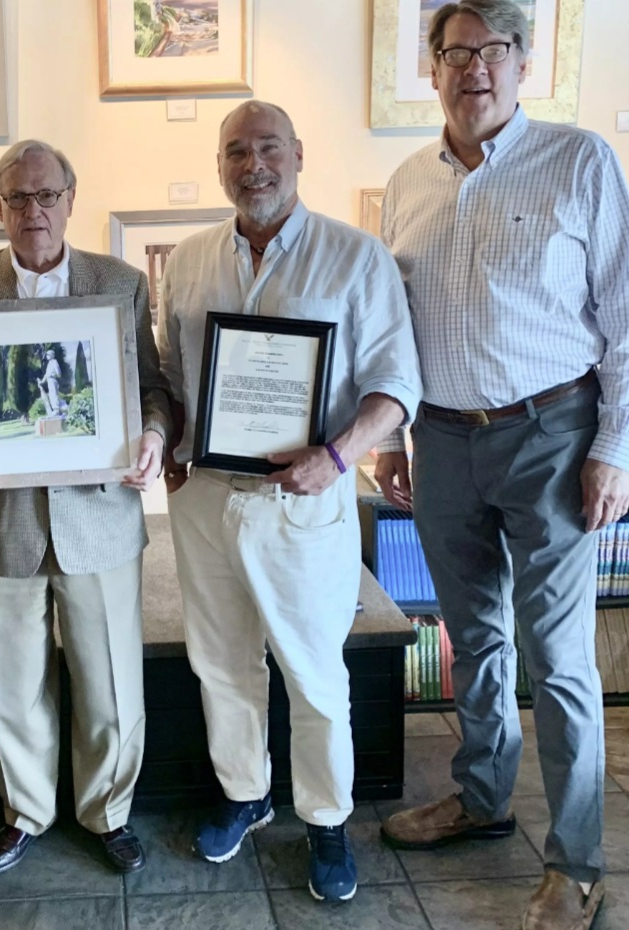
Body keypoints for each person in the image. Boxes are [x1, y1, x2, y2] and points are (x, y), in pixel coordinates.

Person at [374, 3, 629, 928]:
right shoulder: (407, 181)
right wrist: (390, 436)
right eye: (455, 52)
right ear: (432, 68)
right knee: (471, 635)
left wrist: (613, 449)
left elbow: (624, 318)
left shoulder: (580, 161)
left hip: (552, 434)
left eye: (493, 50)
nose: (473, 67)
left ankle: (577, 862)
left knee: (556, 657)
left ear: (523, 62)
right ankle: (483, 799)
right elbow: (393, 325)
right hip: (442, 441)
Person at [156, 100, 422, 903]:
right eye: (236, 151)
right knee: (219, 663)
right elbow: (172, 376)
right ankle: (246, 794)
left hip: (304, 501)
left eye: (268, 147)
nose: (254, 165)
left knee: (312, 673)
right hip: (206, 498)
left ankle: (326, 818)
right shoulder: (190, 260)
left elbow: (396, 384)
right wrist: (168, 443)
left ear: (299, 154)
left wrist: (337, 456)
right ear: (219, 166)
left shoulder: (356, 256)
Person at [0, 139, 172, 876]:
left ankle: (108, 812)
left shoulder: (119, 283)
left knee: (110, 682)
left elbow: (151, 387)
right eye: (18, 198)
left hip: (100, 518)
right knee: (15, 685)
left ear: (70, 199)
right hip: (3, 523)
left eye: (47, 195)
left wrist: (154, 435)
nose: (34, 210)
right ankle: (25, 812)